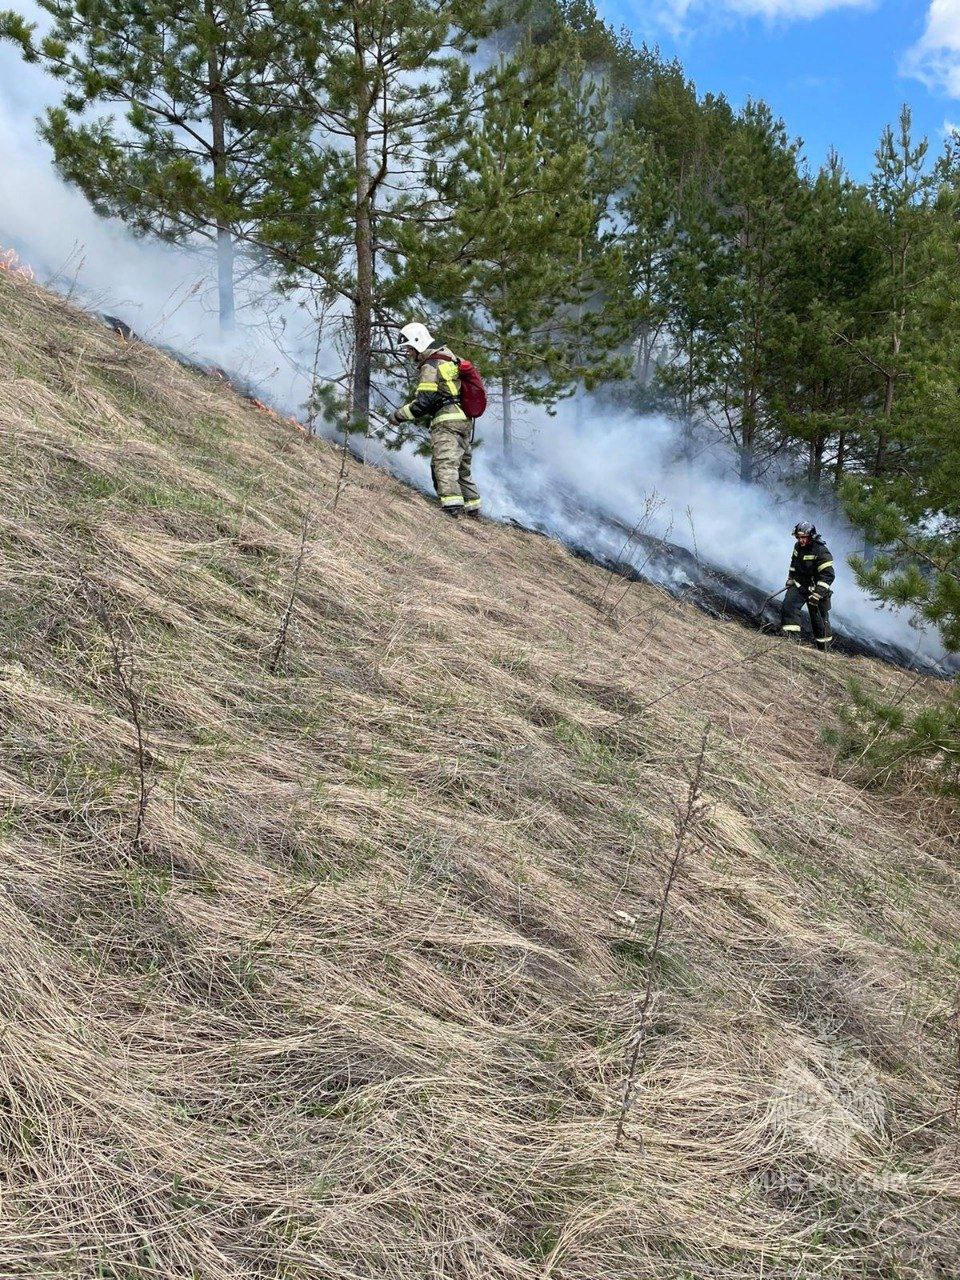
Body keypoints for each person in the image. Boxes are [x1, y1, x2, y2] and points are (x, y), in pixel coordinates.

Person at [390, 322, 481, 519]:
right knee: (462, 468)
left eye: (409, 348)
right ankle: (473, 509)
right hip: (464, 420)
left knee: (444, 464)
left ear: (418, 342)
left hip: (447, 422)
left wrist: (398, 415)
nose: (407, 353)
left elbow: (424, 402)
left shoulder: (430, 366)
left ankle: (452, 509)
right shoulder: (450, 356)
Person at [780, 521, 835, 648]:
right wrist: (791, 578)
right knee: (788, 606)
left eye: (803, 537)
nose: (801, 540)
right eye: (798, 537)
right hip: (800, 586)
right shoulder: (798, 547)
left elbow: (828, 575)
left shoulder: (821, 551)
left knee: (819, 620)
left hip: (817, 590)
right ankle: (791, 642)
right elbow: (794, 564)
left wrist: (818, 594)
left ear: (811, 536)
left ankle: (824, 649)